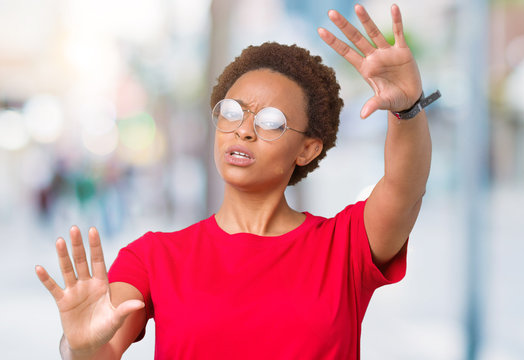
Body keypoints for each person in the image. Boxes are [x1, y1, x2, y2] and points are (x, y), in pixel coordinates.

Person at [35, 4, 438, 359]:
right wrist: (79, 347)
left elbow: (405, 187)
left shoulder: (344, 246)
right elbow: (100, 352)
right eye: (232, 111)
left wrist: (406, 108)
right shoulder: (154, 258)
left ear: (307, 150)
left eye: (270, 122)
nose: (243, 131)